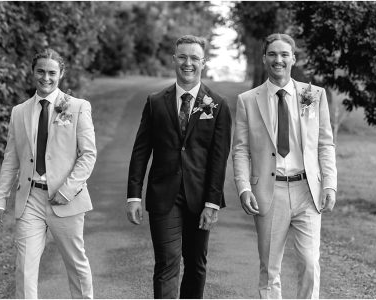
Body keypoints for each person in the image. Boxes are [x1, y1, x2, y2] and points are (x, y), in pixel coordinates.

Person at [125, 35, 232, 299]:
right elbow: (141, 151)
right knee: (167, 263)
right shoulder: (155, 101)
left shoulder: (218, 105)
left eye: (194, 58)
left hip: (199, 198)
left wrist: (212, 202)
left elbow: (219, 158)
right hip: (164, 196)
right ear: (174, 60)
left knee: (196, 265)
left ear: (203, 62)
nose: (188, 63)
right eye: (182, 57)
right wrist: (134, 195)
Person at [232, 33, 337, 299]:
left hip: (307, 191)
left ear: (293, 58)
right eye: (272, 54)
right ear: (264, 58)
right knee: (269, 269)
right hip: (269, 192)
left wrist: (330, 185)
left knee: (310, 264)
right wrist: (244, 188)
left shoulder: (311, 95)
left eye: (284, 54)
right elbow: (241, 150)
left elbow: (325, 144)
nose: (278, 60)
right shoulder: (248, 100)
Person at [0, 48, 97, 299]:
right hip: (30, 199)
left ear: (61, 74)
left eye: (52, 72)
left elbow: (88, 155)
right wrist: (0, 198)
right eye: (41, 71)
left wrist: (67, 190)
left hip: (65, 199)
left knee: (76, 264)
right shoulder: (19, 111)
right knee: (25, 267)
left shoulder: (78, 107)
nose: (46, 77)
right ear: (32, 73)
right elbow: (11, 158)